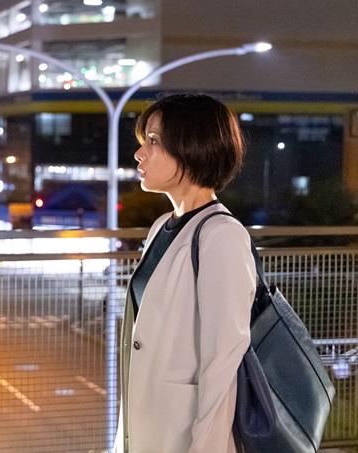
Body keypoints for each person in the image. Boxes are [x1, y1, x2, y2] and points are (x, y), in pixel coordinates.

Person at [114, 93, 257, 452]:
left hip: (184, 435)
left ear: (192, 148)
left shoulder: (221, 235)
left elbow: (223, 360)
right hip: (149, 425)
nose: (139, 154)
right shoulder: (163, 226)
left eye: (153, 141)